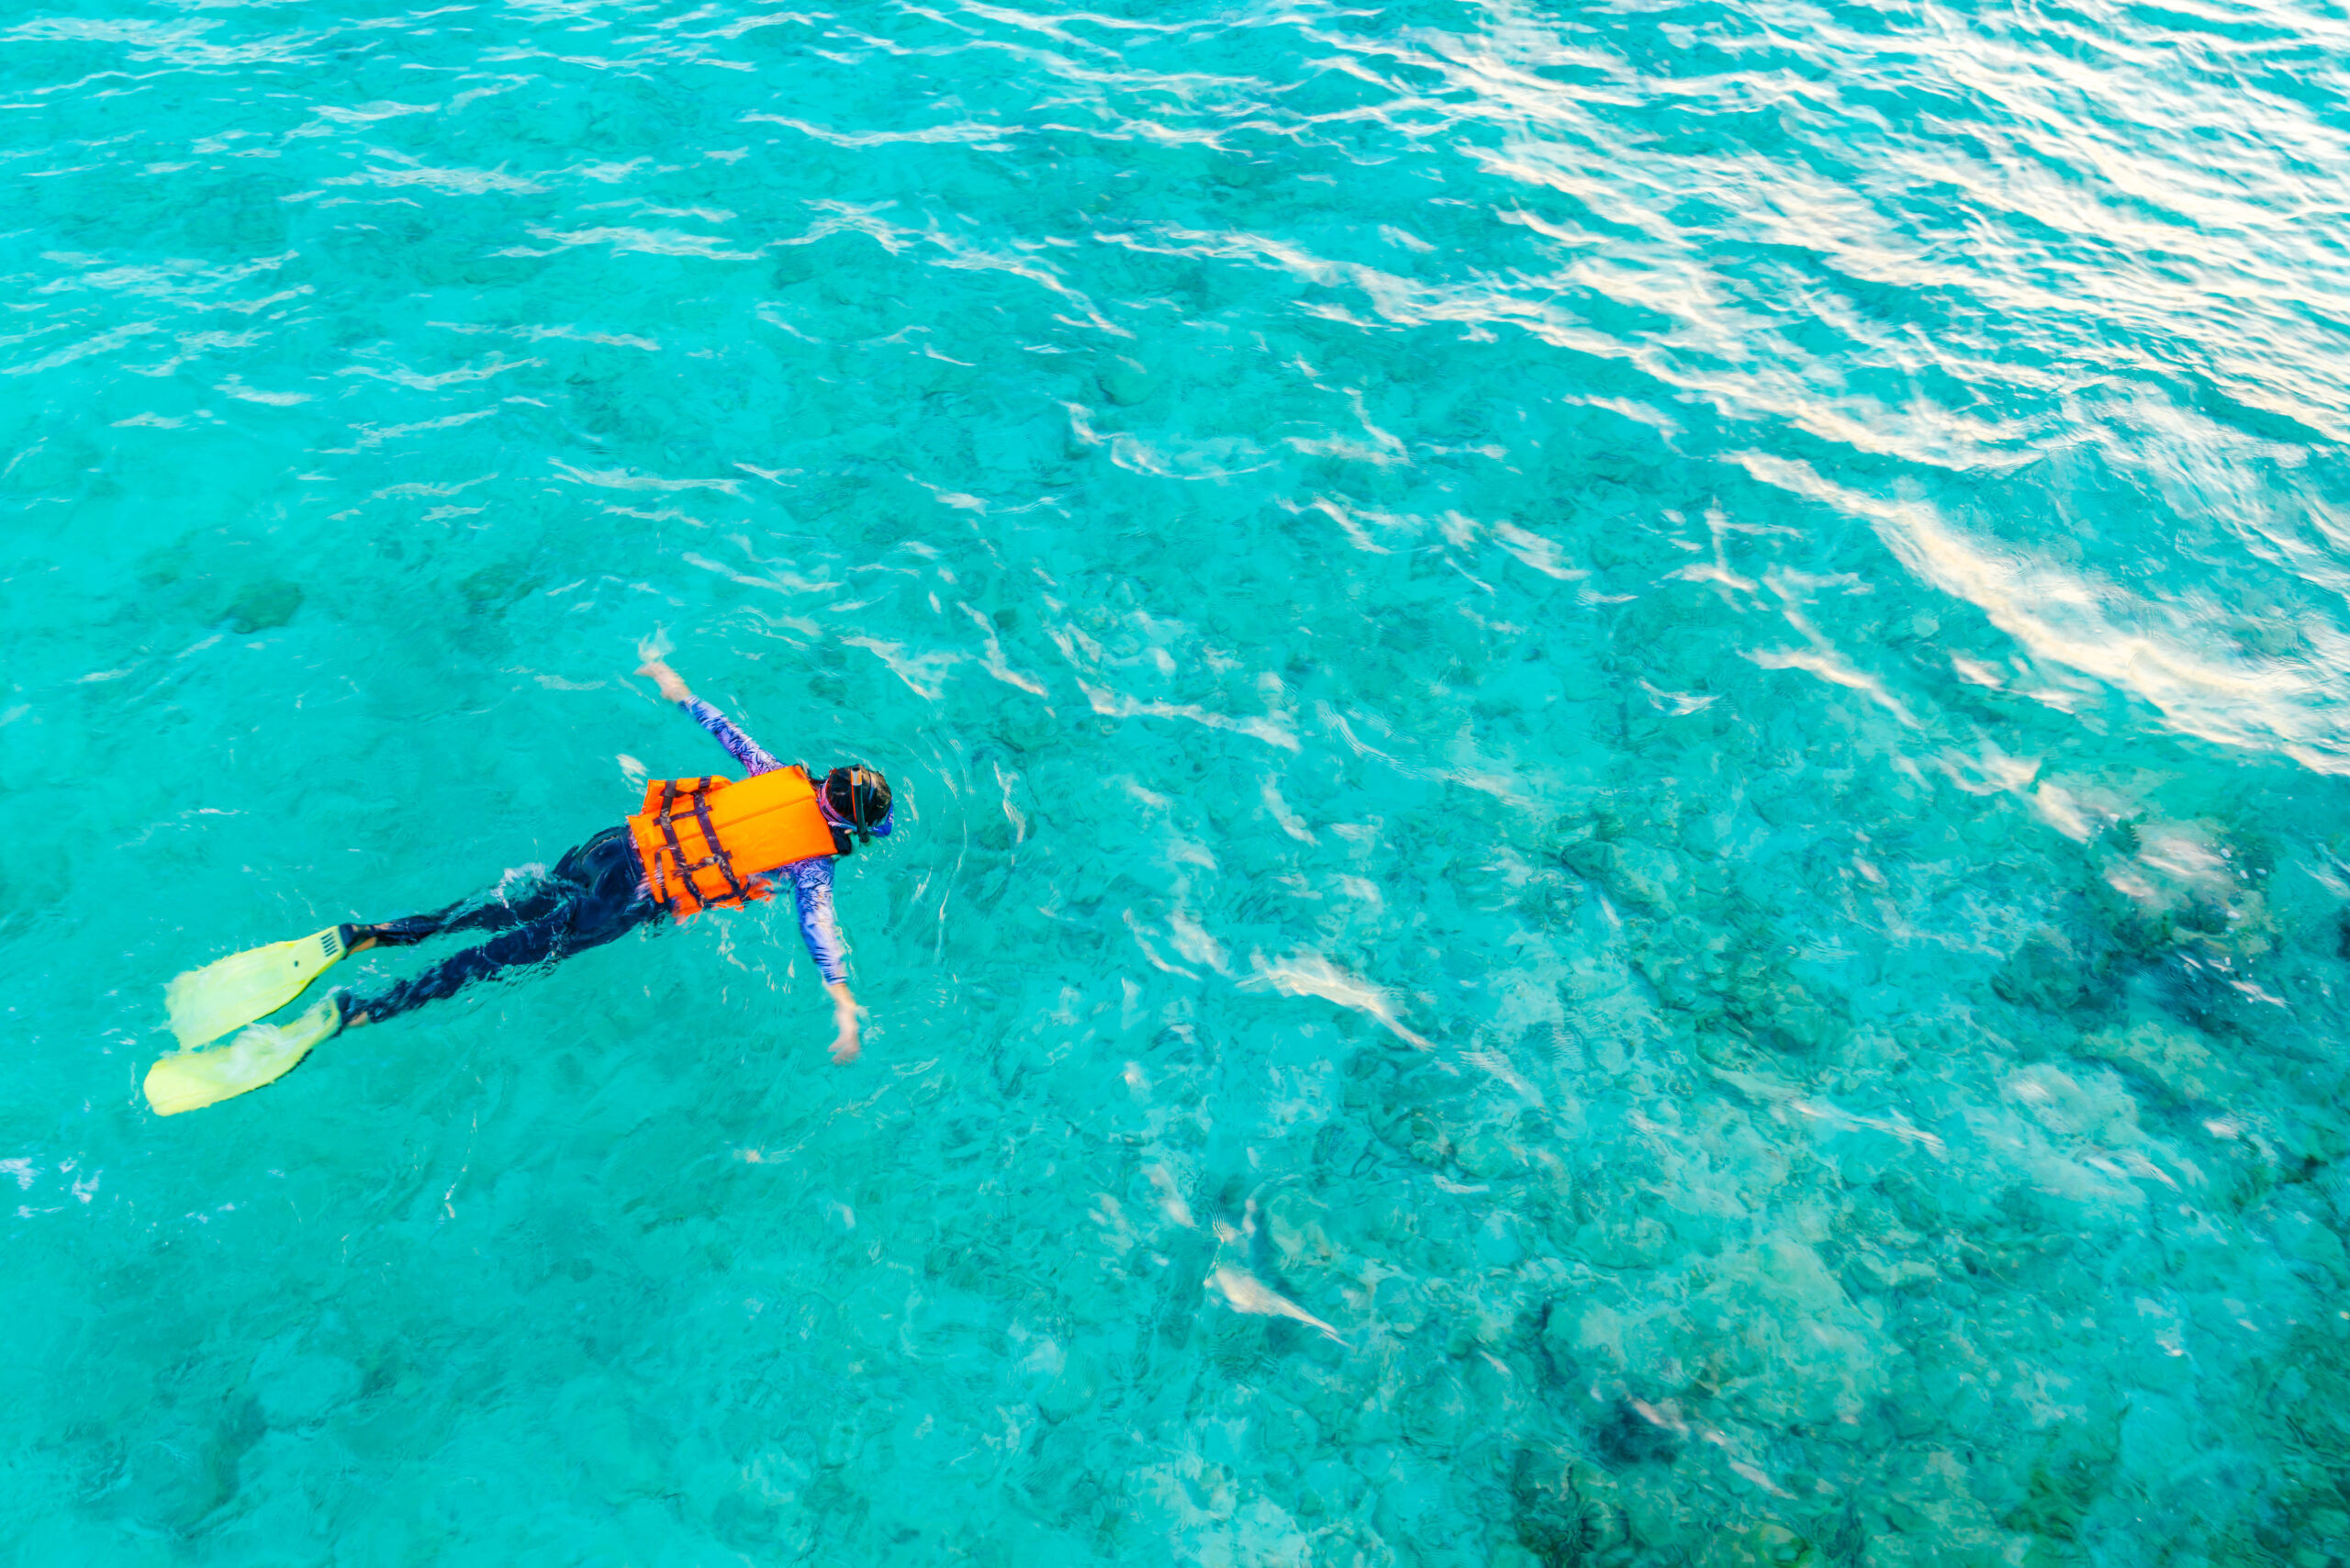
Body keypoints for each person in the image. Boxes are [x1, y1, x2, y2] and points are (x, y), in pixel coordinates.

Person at [143, 650, 893, 1116]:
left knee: (491, 911)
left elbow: (724, 728)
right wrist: (842, 1001)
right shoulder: (811, 864)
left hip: (609, 847)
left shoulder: (776, 773)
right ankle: (360, 1011)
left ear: (824, 780)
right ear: (850, 828)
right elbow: (815, 928)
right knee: (494, 961)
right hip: (624, 900)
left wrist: (674, 685)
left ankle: (368, 933)